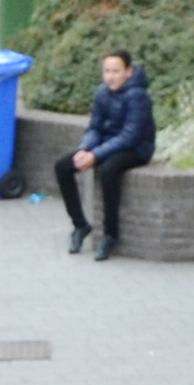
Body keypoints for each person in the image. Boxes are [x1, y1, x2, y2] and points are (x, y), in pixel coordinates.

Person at [56, 46, 155, 260]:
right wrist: (85, 149)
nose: (110, 77)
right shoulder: (102, 93)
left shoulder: (138, 96)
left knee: (108, 170)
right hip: (107, 145)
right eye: (107, 71)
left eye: (116, 71)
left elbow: (130, 136)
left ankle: (110, 234)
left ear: (129, 72)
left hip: (136, 148)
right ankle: (80, 225)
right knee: (63, 166)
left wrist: (96, 155)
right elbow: (94, 128)